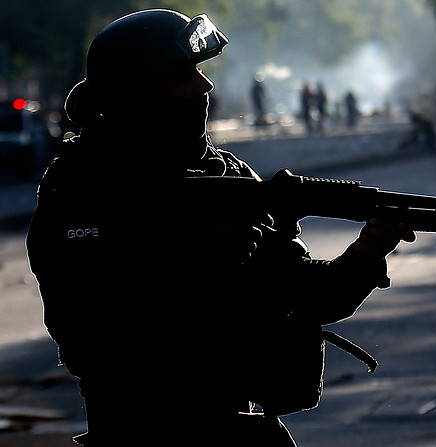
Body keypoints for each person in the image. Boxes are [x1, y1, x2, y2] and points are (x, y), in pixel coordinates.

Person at [26, 9, 415, 446]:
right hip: (140, 432)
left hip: (239, 428)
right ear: (140, 93)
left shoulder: (224, 174)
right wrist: (207, 254)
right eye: (183, 75)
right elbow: (96, 336)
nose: (204, 85)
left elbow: (307, 294)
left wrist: (363, 257)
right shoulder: (83, 191)